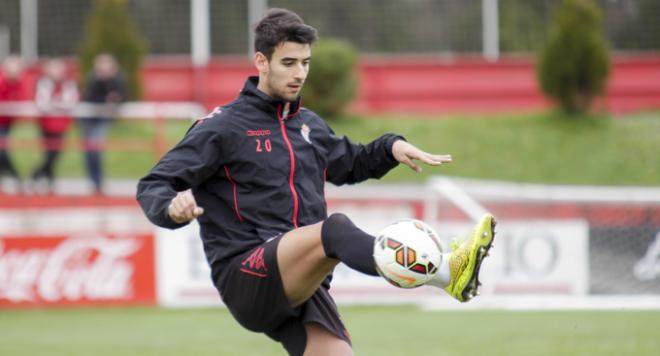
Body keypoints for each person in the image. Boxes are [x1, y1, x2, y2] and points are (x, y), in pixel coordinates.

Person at [137, 8, 495, 356]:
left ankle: (447, 274)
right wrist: (170, 207)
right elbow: (154, 183)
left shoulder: (307, 124)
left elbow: (350, 164)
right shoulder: (221, 127)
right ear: (262, 62)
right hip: (247, 273)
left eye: (305, 63)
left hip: (302, 283)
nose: (299, 73)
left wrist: (391, 147)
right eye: (288, 63)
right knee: (334, 231)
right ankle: (447, 271)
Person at [80, 53, 126, 194]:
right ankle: (94, 181)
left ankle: (98, 181)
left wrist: (114, 97)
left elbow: (122, 96)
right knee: (89, 151)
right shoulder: (92, 79)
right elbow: (89, 97)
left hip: (101, 120)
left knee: (97, 149)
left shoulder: (118, 79)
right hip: (88, 119)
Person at [31, 58, 79, 193]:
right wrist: (57, 104)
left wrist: (55, 104)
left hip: (61, 124)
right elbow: (42, 103)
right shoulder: (43, 83)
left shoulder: (69, 83)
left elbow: (70, 102)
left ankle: (37, 175)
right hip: (46, 123)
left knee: (55, 154)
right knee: (49, 153)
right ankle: (48, 181)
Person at [0, 56, 28, 194]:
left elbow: (22, 99)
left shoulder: (19, 82)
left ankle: (16, 178)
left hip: (6, 122)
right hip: (3, 121)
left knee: (2, 151)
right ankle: (16, 178)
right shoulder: (2, 81)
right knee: (2, 152)